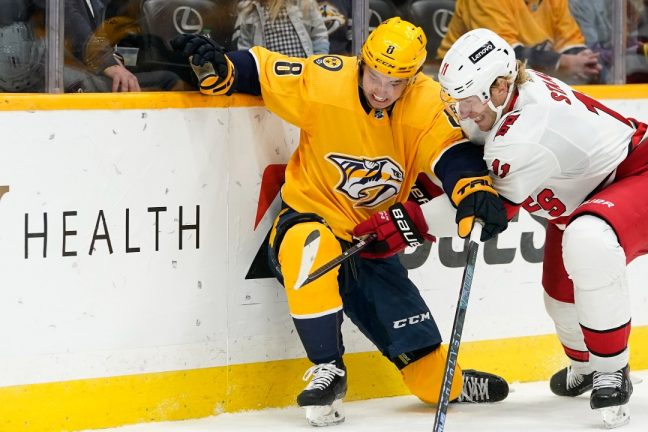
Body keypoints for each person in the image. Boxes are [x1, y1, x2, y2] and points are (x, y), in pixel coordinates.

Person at [171, 17, 510, 427]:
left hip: (371, 240)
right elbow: (261, 71)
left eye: (396, 82)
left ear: (413, 78)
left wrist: (472, 190)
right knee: (309, 246)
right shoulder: (327, 80)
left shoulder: (427, 103)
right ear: (362, 63)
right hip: (309, 217)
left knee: (430, 381)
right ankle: (328, 368)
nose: (381, 91)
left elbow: (453, 155)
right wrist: (222, 67)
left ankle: (452, 384)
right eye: (375, 76)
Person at [438, 28, 648, 428]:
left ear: (500, 87)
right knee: (560, 298)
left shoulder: (525, 131)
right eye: (455, 100)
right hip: (587, 194)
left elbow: (487, 208)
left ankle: (612, 371)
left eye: (468, 100)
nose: (462, 112)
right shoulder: (506, 100)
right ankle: (587, 367)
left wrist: (403, 226)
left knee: (588, 240)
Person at [436, 0, 601, 84]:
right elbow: (500, 53)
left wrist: (584, 61)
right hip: (461, 77)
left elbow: (569, 39)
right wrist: (563, 62)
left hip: (524, 77)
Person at [64, 0, 181, 92]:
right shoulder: (67, 6)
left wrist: (114, 58)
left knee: (165, 71)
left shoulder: (97, 4)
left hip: (96, 63)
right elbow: (75, 26)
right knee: (169, 80)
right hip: (74, 73)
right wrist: (107, 62)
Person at [568, 0, 648, 83]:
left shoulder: (629, 5)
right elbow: (591, 55)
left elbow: (629, 42)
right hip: (598, 83)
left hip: (628, 75)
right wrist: (643, 50)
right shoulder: (581, 4)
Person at [232, 0, 330, 56]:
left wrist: (318, 62)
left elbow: (319, 35)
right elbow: (245, 47)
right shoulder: (249, 10)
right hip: (269, 77)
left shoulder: (304, 3)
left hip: (305, 72)